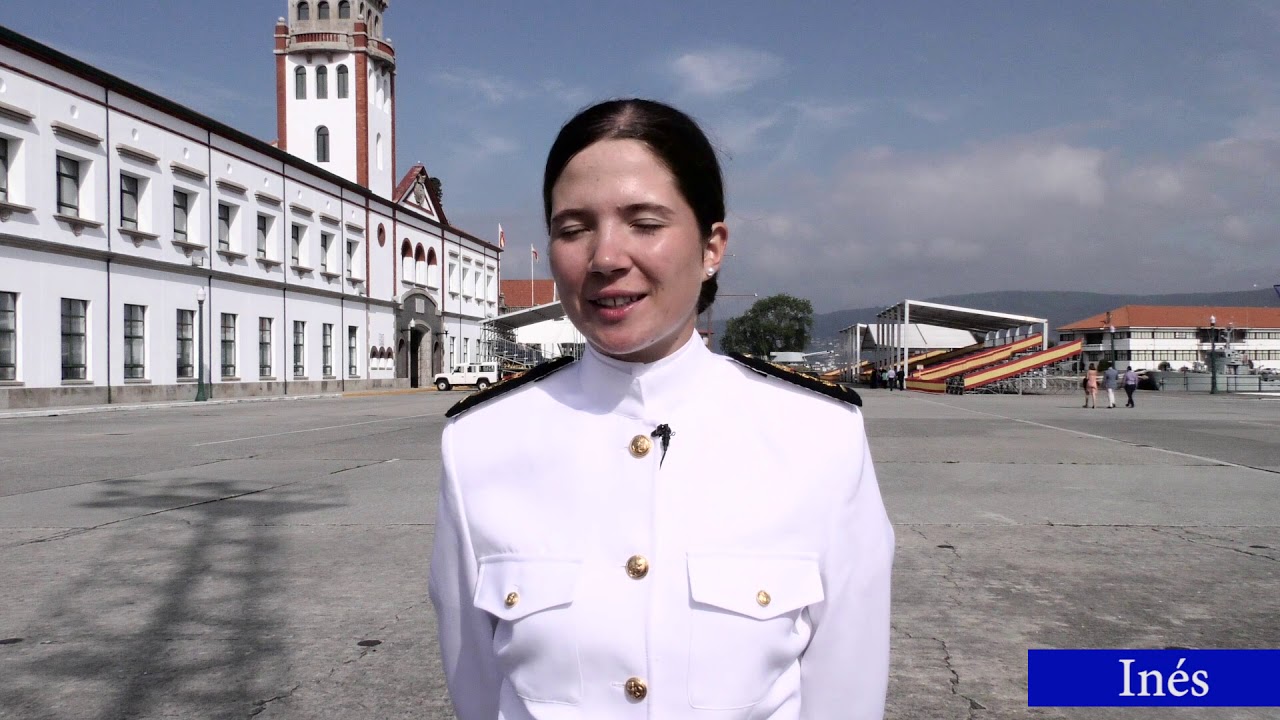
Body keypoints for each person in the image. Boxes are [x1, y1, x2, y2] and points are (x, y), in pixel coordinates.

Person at [428, 99, 894, 720]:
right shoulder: (480, 445)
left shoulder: (819, 437)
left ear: (711, 247)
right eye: (573, 228)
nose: (605, 257)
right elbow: (479, 691)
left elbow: (846, 693)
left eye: (644, 223)